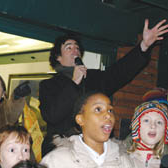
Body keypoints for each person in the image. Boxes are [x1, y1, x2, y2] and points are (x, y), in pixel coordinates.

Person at [39, 19, 168, 156]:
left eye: (77, 48)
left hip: (93, 151)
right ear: (58, 57)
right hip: (61, 151)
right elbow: (52, 115)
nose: (75, 51)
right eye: (68, 47)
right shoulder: (49, 85)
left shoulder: (93, 78)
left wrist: (143, 46)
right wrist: (74, 82)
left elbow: (119, 72)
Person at [41, 91, 134, 168]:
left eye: (110, 110)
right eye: (98, 109)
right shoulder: (57, 161)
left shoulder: (124, 162)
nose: (108, 115)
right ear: (80, 119)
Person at [127, 100, 168, 168]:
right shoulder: (119, 159)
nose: (153, 126)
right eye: (146, 120)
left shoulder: (165, 162)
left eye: (159, 122)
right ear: (136, 126)